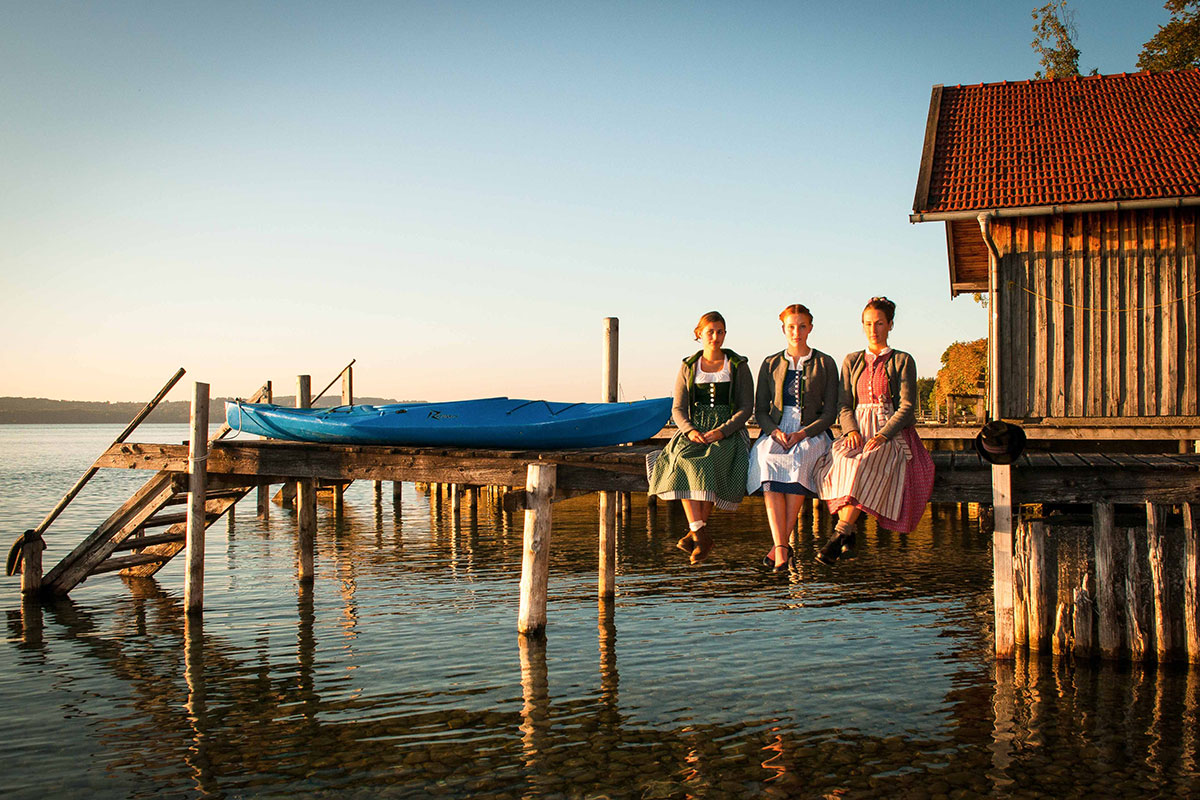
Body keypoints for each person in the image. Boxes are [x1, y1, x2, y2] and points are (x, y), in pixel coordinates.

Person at [815, 297, 935, 564]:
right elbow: (843, 404)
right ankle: (848, 535)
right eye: (868, 323)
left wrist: (883, 434)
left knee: (866, 463)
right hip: (858, 427)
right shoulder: (852, 360)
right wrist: (850, 430)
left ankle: (840, 534)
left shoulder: (902, 360)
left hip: (891, 432)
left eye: (879, 323)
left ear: (890, 325)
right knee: (841, 461)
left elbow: (906, 407)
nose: (873, 329)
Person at [647, 311, 753, 564]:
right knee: (680, 459)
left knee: (709, 461)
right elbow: (678, 408)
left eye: (719, 331)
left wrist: (723, 430)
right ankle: (700, 533)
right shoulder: (688, 366)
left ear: (725, 334)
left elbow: (746, 407)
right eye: (710, 332)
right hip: (695, 428)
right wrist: (690, 430)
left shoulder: (738, 365)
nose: (715, 336)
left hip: (728, 430)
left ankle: (695, 532)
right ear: (699, 334)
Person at [746, 304, 838, 571]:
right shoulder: (770, 363)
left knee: (802, 458)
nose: (796, 332)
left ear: (810, 328)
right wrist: (774, 431)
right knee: (766, 457)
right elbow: (761, 409)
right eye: (791, 326)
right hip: (776, 427)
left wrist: (802, 433)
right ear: (783, 328)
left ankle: (780, 548)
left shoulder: (825, 362)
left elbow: (829, 412)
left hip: (811, 429)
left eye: (802, 326)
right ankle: (783, 546)